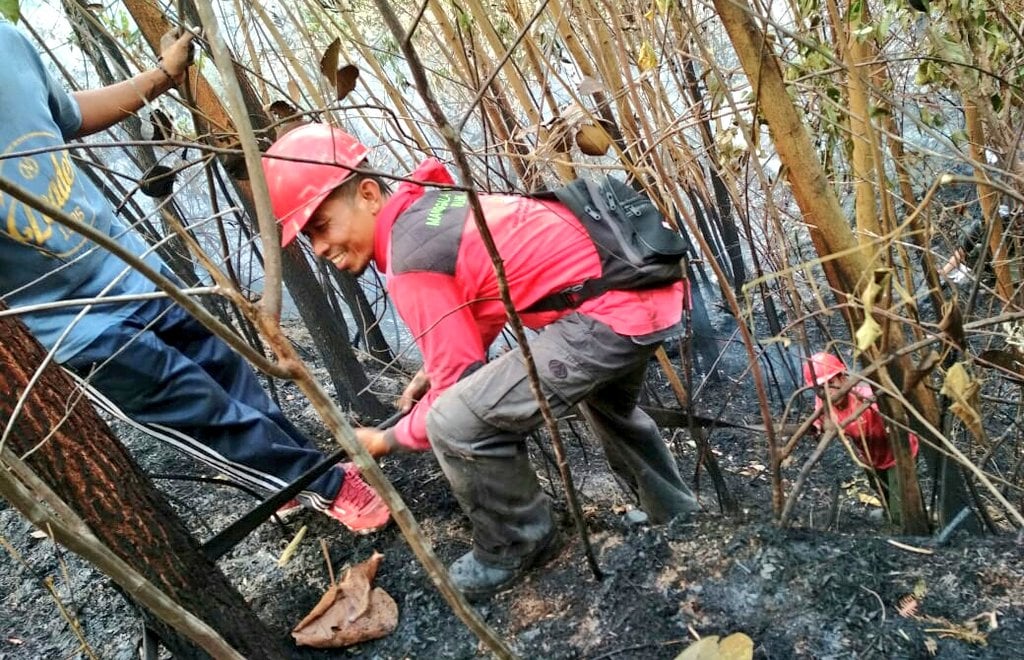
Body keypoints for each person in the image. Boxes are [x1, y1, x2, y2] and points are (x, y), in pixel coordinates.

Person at [261, 123, 701, 600]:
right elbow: (485, 299)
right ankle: (674, 511)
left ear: (368, 194)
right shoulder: (432, 208)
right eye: (309, 237)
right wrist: (431, 370)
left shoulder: (411, 261)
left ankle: (517, 543)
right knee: (609, 407)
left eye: (321, 226)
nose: (320, 248)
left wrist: (387, 439)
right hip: (639, 292)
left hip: (611, 312)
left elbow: (456, 391)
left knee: (455, 423)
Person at [0, 19, 388, 533]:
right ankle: (324, 486)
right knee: (199, 410)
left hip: (132, 265)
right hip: (70, 324)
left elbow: (67, 112)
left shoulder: (6, 40)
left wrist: (162, 76)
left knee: (228, 371)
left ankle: (284, 478)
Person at [803, 352, 920, 512]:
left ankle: (905, 521)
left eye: (831, 383)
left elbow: (899, 417)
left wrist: (890, 420)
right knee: (880, 489)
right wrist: (816, 427)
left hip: (897, 454)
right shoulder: (823, 402)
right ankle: (888, 512)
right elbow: (819, 418)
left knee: (902, 501)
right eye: (821, 388)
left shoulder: (866, 397)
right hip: (870, 457)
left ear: (843, 378)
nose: (828, 391)